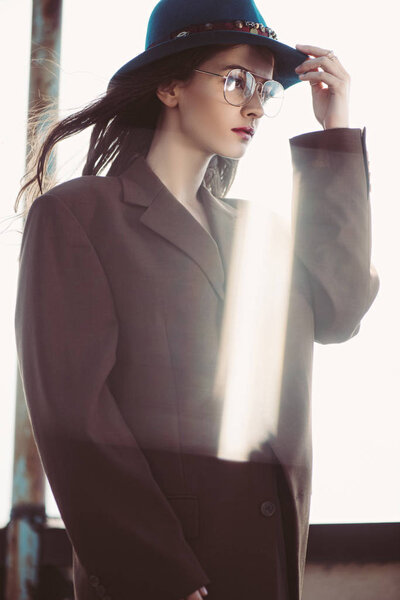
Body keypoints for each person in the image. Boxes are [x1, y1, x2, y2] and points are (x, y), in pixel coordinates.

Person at [14, 1, 379, 599]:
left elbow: (340, 311)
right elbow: (75, 419)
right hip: (160, 578)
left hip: (267, 570)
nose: (256, 104)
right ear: (169, 85)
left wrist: (333, 134)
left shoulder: (259, 231)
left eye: (265, 87)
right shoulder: (80, 215)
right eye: (236, 80)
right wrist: (161, 575)